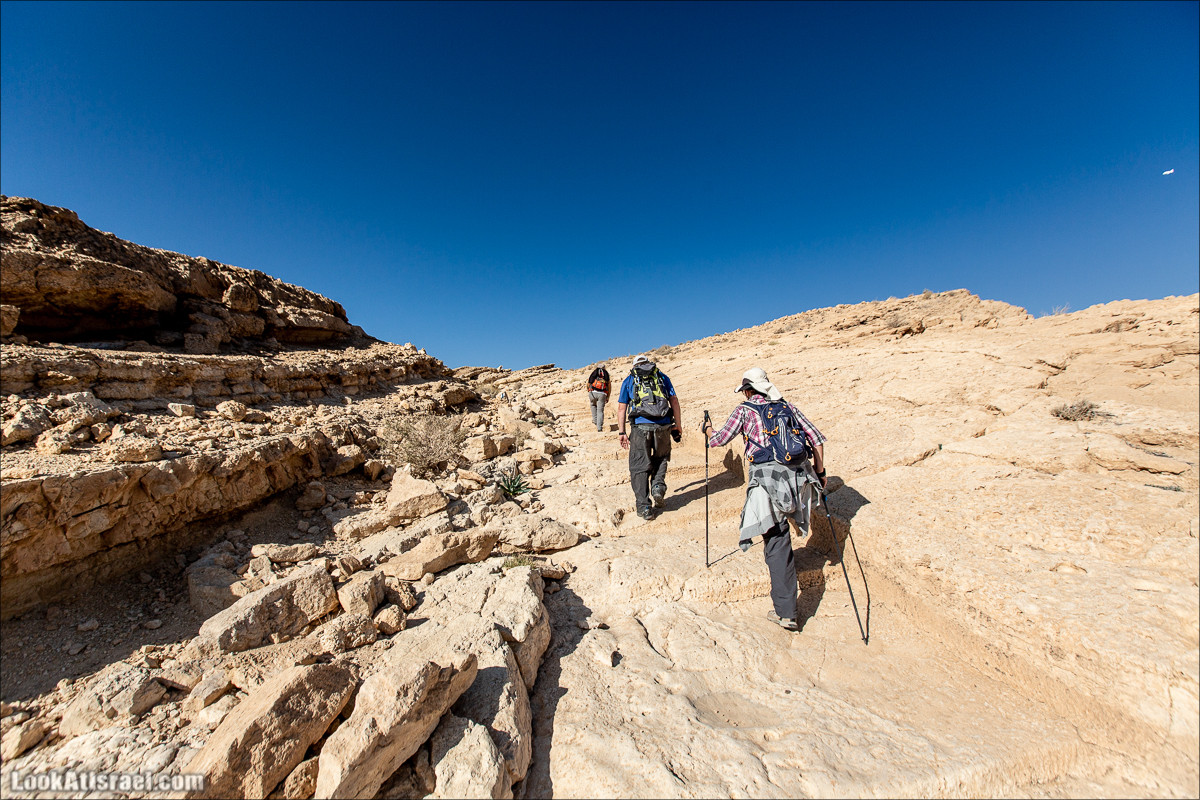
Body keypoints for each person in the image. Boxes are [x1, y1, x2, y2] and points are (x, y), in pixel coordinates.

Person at [702, 367, 827, 632]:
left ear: (748, 389)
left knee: (777, 539)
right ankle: (786, 597)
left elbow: (719, 440)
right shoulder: (788, 407)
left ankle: (786, 613)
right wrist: (821, 472)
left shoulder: (745, 410)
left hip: (766, 480)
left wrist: (709, 429)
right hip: (798, 477)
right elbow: (816, 439)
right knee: (784, 531)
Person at [616, 354, 683, 520]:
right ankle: (658, 486)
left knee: (639, 466)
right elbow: (674, 401)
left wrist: (622, 432)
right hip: (663, 425)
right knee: (661, 457)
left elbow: (621, 408)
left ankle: (644, 507)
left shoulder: (630, 380)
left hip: (640, 427)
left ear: (634, 366)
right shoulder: (662, 377)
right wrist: (678, 425)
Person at [585, 363, 611, 432]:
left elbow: (588, 384)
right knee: (600, 411)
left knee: (593, 405)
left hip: (592, 393)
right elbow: (609, 387)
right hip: (602, 394)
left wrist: (589, 391)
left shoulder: (593, 374)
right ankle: (599, 427)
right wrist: (608, 396)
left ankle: (596, 421)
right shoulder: (606, 376)